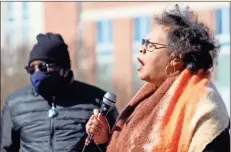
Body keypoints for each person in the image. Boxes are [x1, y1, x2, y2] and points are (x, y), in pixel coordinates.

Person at [86, 5, 230, 152]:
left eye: (149, 45)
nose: (141, 48)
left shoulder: (203, 105)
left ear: (176, 57)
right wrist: (105, 141)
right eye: (143, 43)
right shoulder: (147, 100)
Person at [1, 33, 118, 152]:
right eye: (31, 68)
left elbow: (119, 146)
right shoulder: (14, 104)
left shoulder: (97, 101)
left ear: (63, 68)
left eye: (43, 67)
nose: (36, 73)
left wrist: (103, 141)